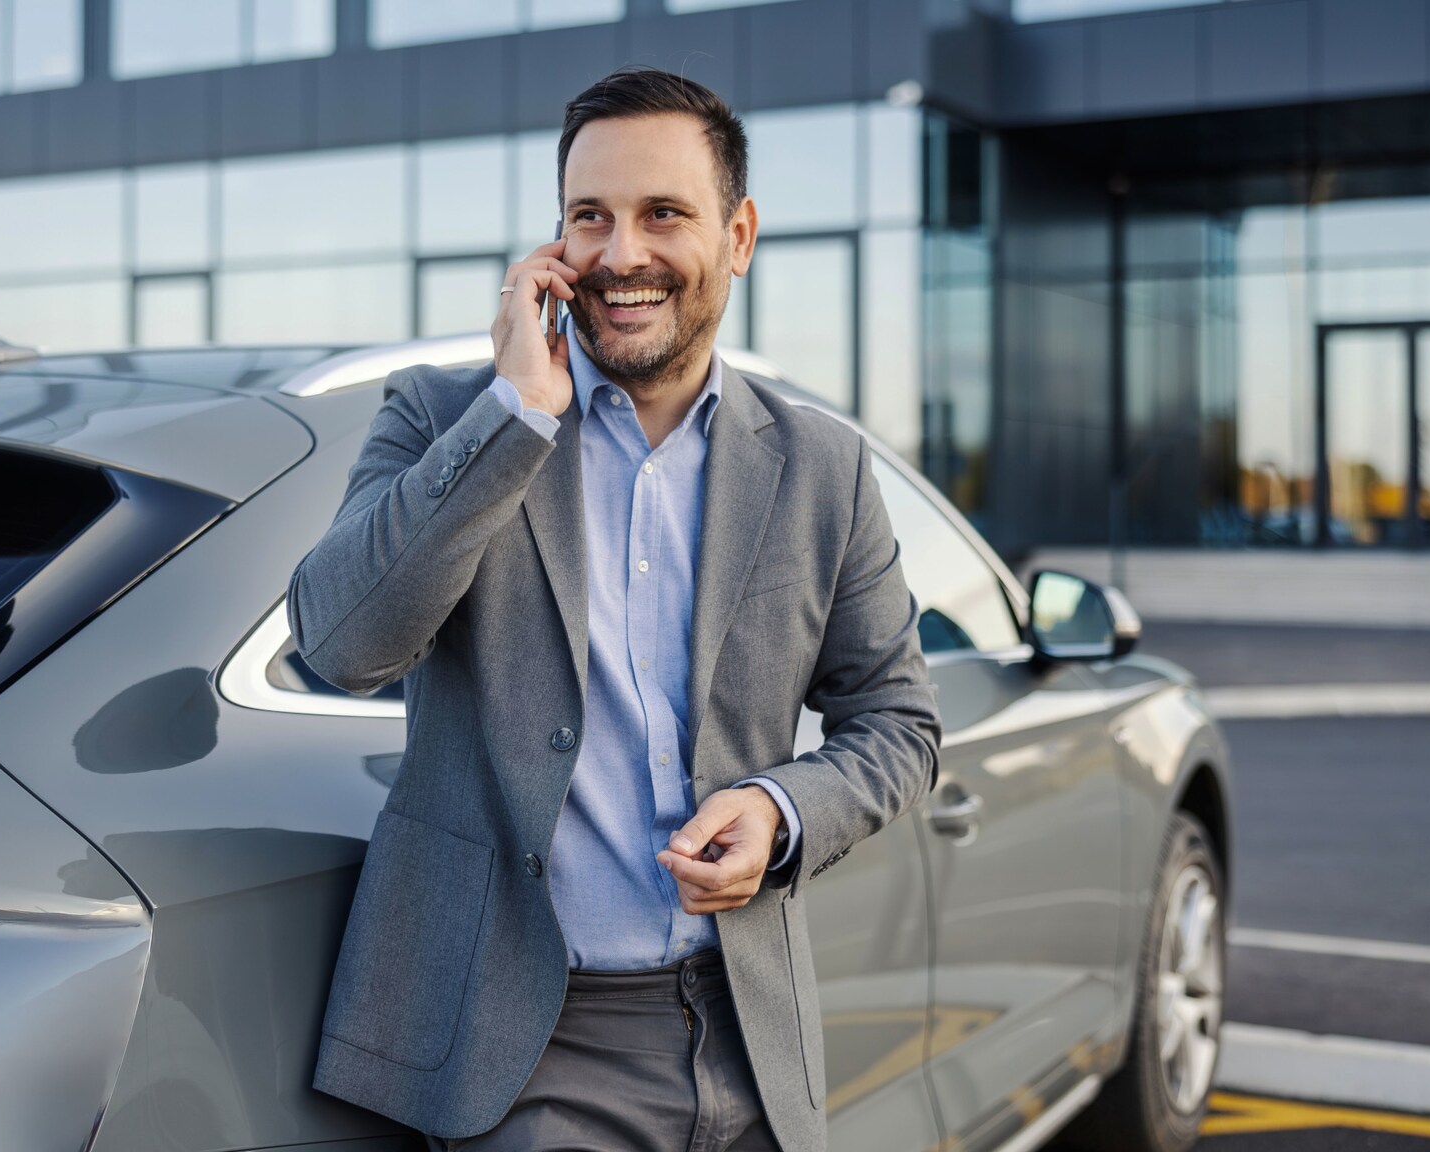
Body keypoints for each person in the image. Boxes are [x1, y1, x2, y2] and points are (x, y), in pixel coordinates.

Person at [286, 67, 941, 1152]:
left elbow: (899, 724)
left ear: (738, 236)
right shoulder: (444, 419)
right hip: (523, 1051)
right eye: (589, 216)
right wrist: (513, 419)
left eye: (663, 214)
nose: (620, 253)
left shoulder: (822, 467)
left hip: (752, 1041)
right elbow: (342, 646)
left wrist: (781, 810)